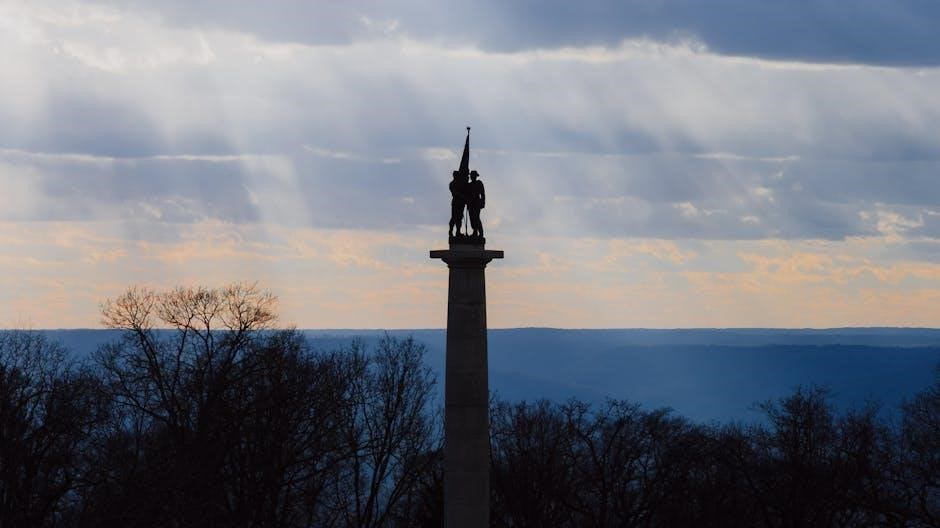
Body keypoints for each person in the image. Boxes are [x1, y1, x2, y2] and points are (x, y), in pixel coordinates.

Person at [448, 170, 467, 237]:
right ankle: (450, 231)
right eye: (456, 175)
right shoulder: (452, 184)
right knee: (454, 218)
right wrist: (461, 196)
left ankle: (458, 232)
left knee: (459, 218)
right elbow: (455, 193)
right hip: (456, 202)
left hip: (461, 203)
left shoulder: (460, 184)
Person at [467, 170, 485, 237]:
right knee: (472, 218)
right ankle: (475, 231)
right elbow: (467, 195)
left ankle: (480, 232)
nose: (472, 177)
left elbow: (482, 194)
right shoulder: (469, 185)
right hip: (471, 203)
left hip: (476, 203)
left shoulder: (479, 183)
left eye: (473, 175)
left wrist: (483, 202)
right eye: (471, 175)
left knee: (476, 218)